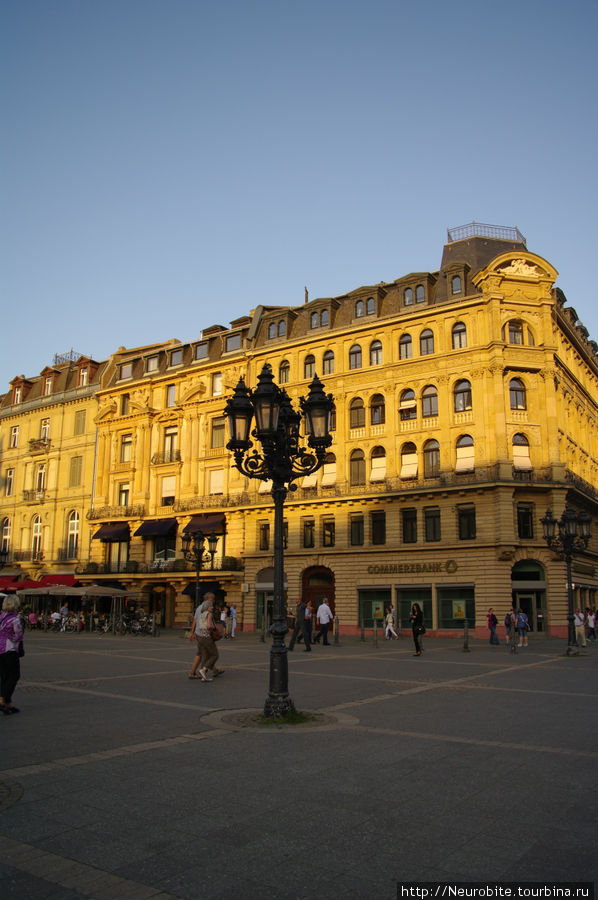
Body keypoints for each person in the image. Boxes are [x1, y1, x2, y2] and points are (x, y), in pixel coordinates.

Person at [188, 593, 223, 681]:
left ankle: (213, 670)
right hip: (205, 635)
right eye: (212, 599)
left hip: (199, 634)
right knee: (207, 654)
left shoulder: (200, 608)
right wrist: (214, 628)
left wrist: (192, 633)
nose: (213, 601)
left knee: (204, 653)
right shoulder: (205, 610)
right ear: (208, 599)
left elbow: (196, 621)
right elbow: (203, 623)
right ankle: (196, 672)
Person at [0, 596, 24, 715]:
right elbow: (18, 635)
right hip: (10, 649)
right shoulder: (15, 619)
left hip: (0, 649)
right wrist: (13, 640)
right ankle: (3, 700)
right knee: (14, 675)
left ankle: (7, 703)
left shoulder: (1, 617)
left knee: (4, 676)